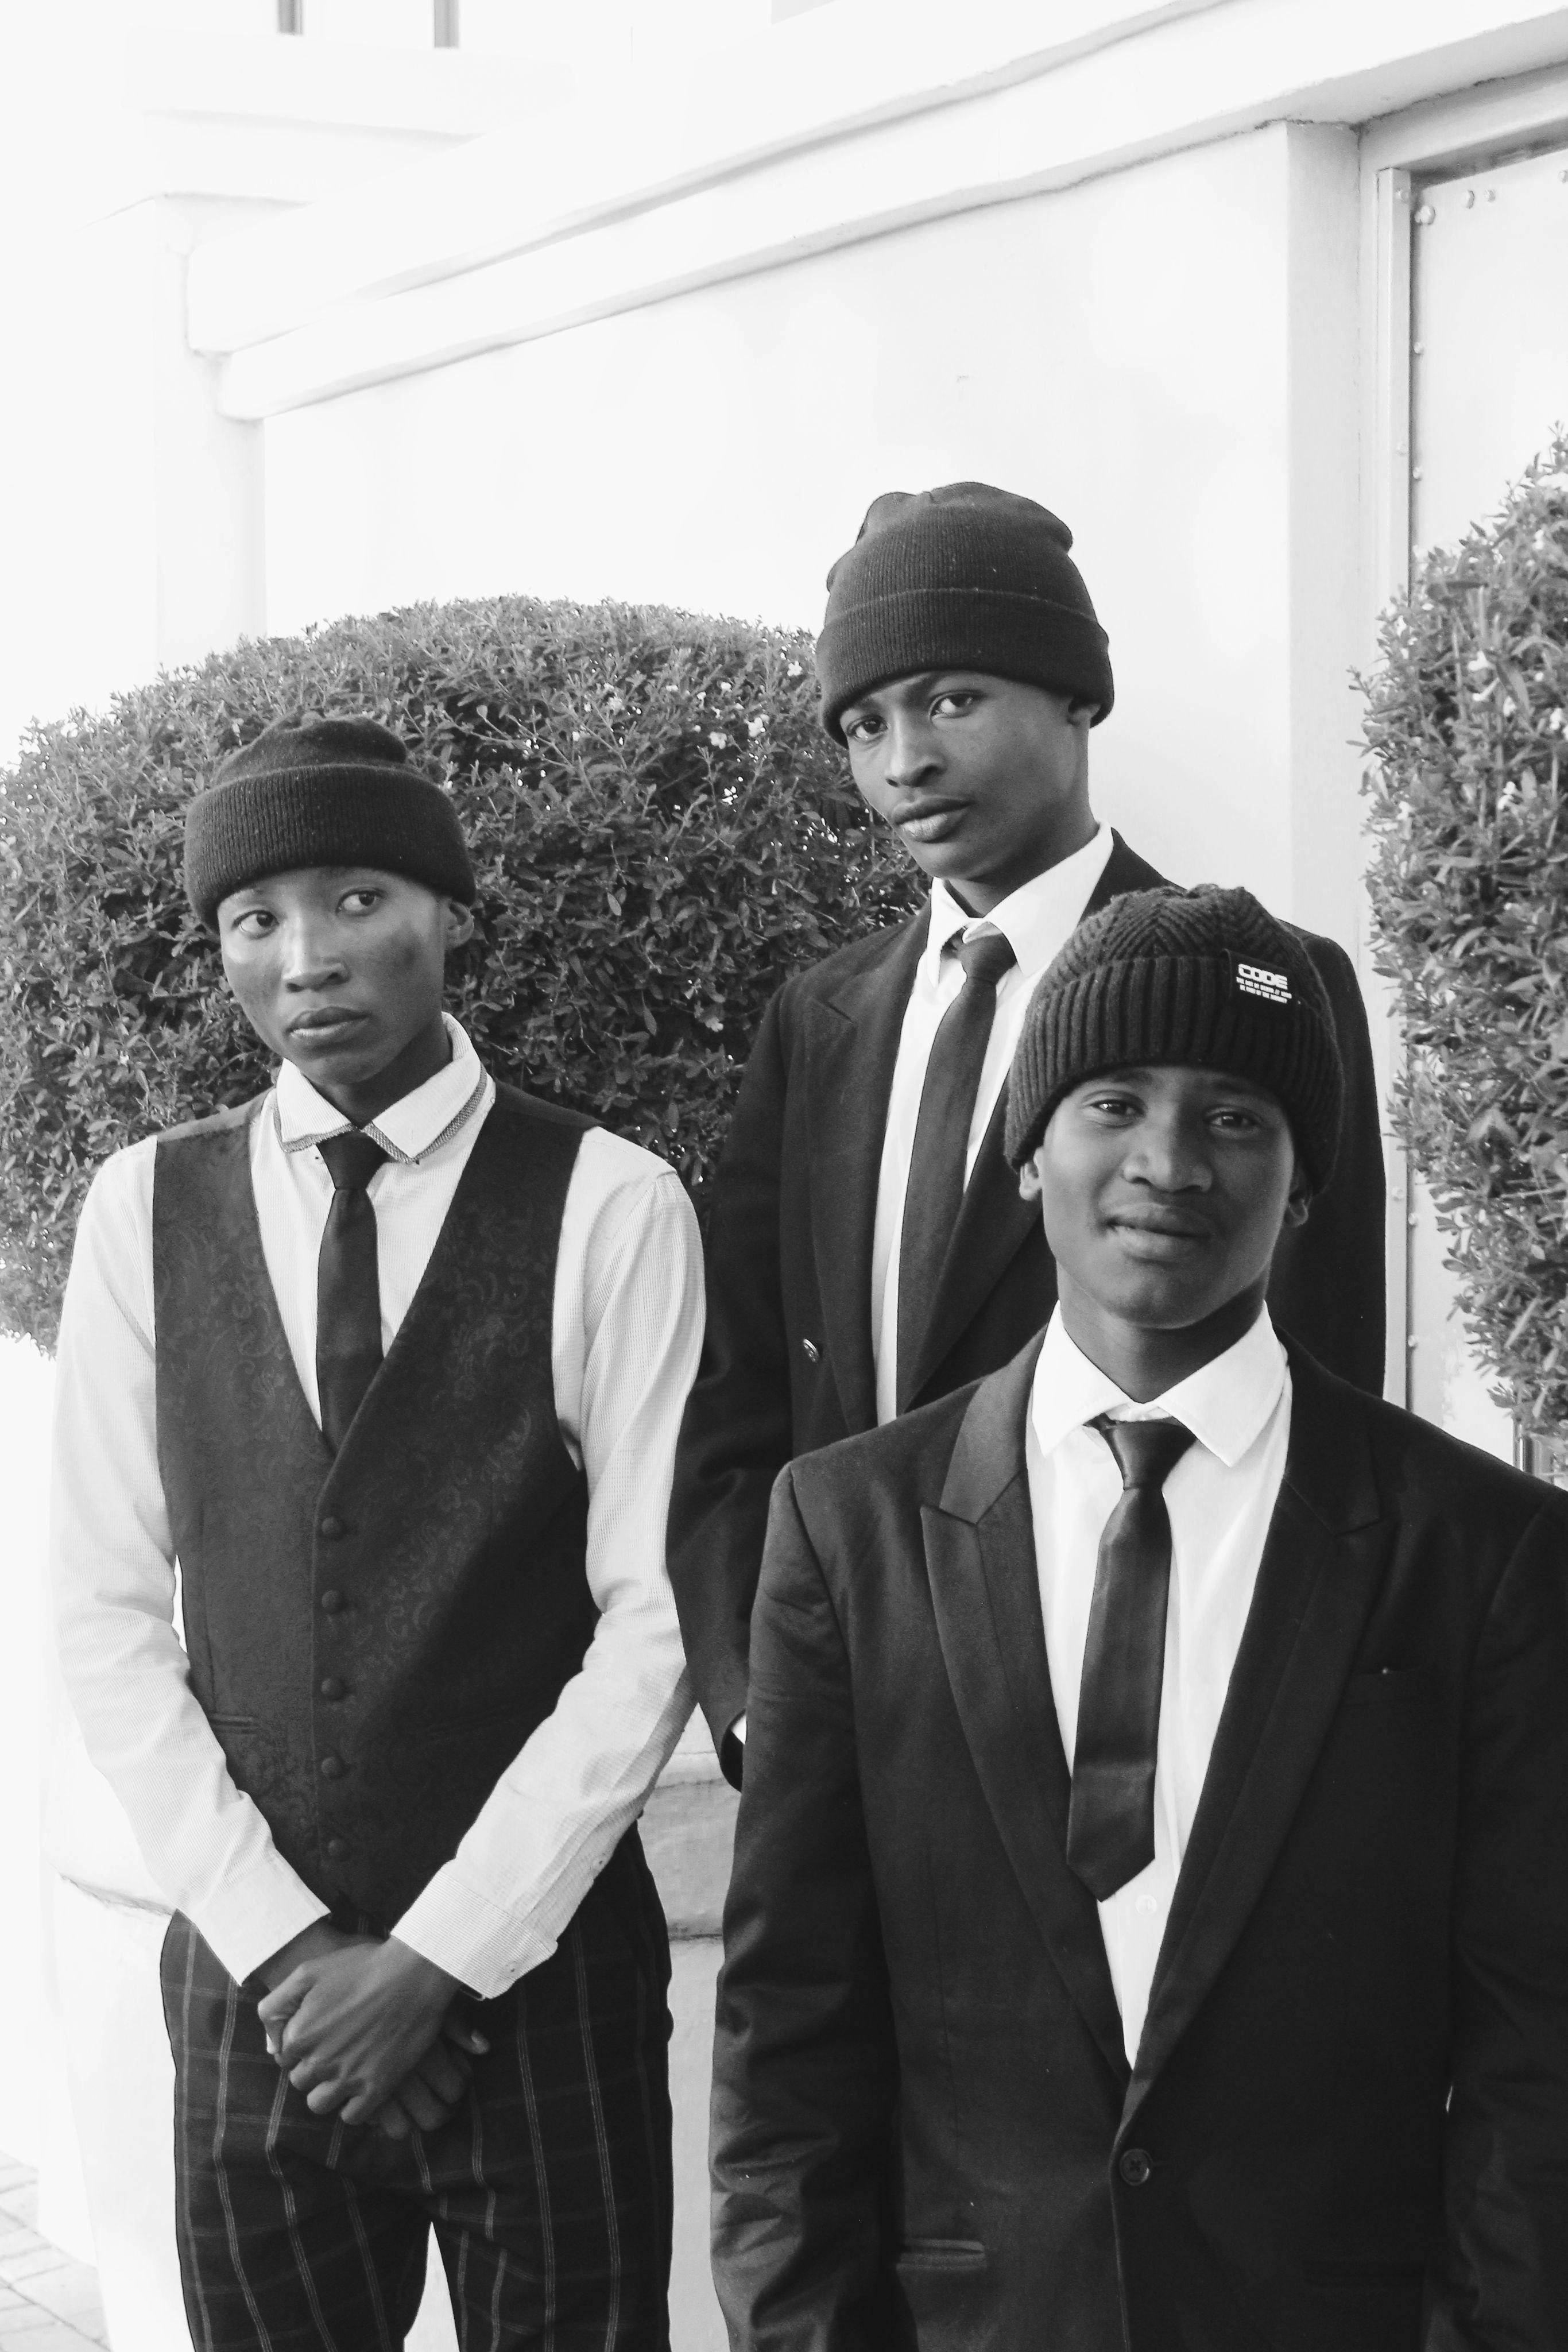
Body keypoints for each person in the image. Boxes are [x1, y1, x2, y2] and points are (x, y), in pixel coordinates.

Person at [710, 883, 1568, 2351]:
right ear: (1028, 1150)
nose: (1169, 1162)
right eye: (1114, 1100)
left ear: (1303, 1182)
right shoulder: (846, 1528)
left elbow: (1534, 2048)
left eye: (1237, 1116)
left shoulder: (1481, 1550)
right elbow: (790, 2033)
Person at [50, 714, 703, 2350]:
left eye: (355, 899)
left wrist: (438, 1958)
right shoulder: (144, 1209)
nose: (306, 956)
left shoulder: (613, 1201)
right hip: (250, 1993)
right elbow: (106, 1615)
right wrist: (287, 1954)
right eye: (253, 920)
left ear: (450, 915)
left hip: (538, 1989)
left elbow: (656, 1620)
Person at [668, 481, 1385, 1785]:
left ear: (1075, 697)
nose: (904, 763)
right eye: (865, 722)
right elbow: (738, 1394)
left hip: (1136, 1711)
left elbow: (1321, 1387)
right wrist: (750, 1691)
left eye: (949, 699)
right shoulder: (820, 1017)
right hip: (853, 1719)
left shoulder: (1273, 984)